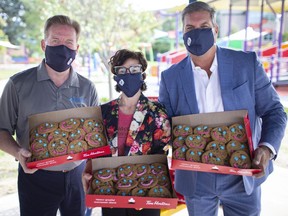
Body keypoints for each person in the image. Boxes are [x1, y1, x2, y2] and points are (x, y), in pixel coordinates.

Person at [158, 1, 287, 216]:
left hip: (242, 174)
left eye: (204, 27)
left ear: (215, 30)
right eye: (190, 28)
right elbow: (164, 128)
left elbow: (274, 110)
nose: (197, 33)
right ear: (183, 33)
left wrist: (267, 147)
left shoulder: (246, 64)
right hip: (196, 179)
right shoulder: (170, 78)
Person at [0, 15, 99, 216]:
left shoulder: (88, 88)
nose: (63, 47)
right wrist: (18, 153)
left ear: (76, 48)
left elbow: (96, 138)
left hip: (77, 177)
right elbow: (1, 130)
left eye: (69, 42)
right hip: (35, 177)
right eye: (55, 41)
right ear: (44, 44)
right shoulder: (18, 85)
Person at [83, 49, 171, 216]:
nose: (129, 74)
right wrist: (88, 173)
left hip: (146, 191)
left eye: (134, 69)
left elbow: (162, 154)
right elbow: (96, 152)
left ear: (142, 74)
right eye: (122, 70)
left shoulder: (157, 113)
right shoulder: (104, 112)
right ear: (116, 76)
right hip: (110, 192)